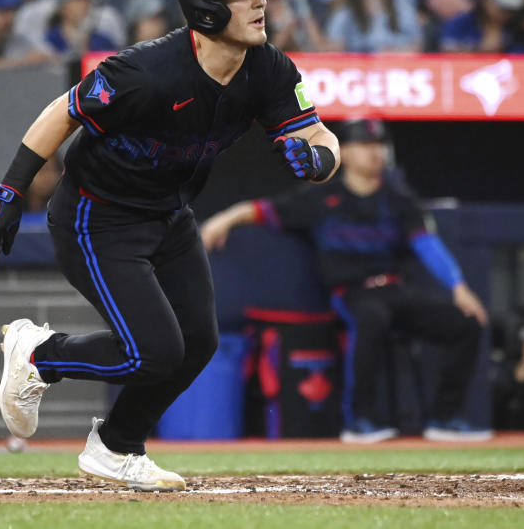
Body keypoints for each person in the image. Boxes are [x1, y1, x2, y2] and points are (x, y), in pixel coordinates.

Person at [0, 0, 340, 491]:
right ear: (207, 9)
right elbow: (64, 111)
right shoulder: (145, 71)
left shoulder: (268, 67)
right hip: (97, 219)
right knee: (154, 352)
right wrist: (9, 191)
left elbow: (317, 134)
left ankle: (117, 447)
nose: (259, 2)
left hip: (169, 214)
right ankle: (38, 355)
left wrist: (321, 160)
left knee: (198, 343)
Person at [200, 118, 491, 443]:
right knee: (371, 316)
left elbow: (427, 245)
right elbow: (260, 210)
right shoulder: (322, 198)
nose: (375, 152)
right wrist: (223, 220)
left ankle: (446, 418)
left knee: (465, 322)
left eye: (379, 145)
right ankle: (360, 421)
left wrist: (458, 287)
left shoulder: (399, 200)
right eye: (365, 145)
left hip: (395, 288)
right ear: (347, 153)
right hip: (351, 293)